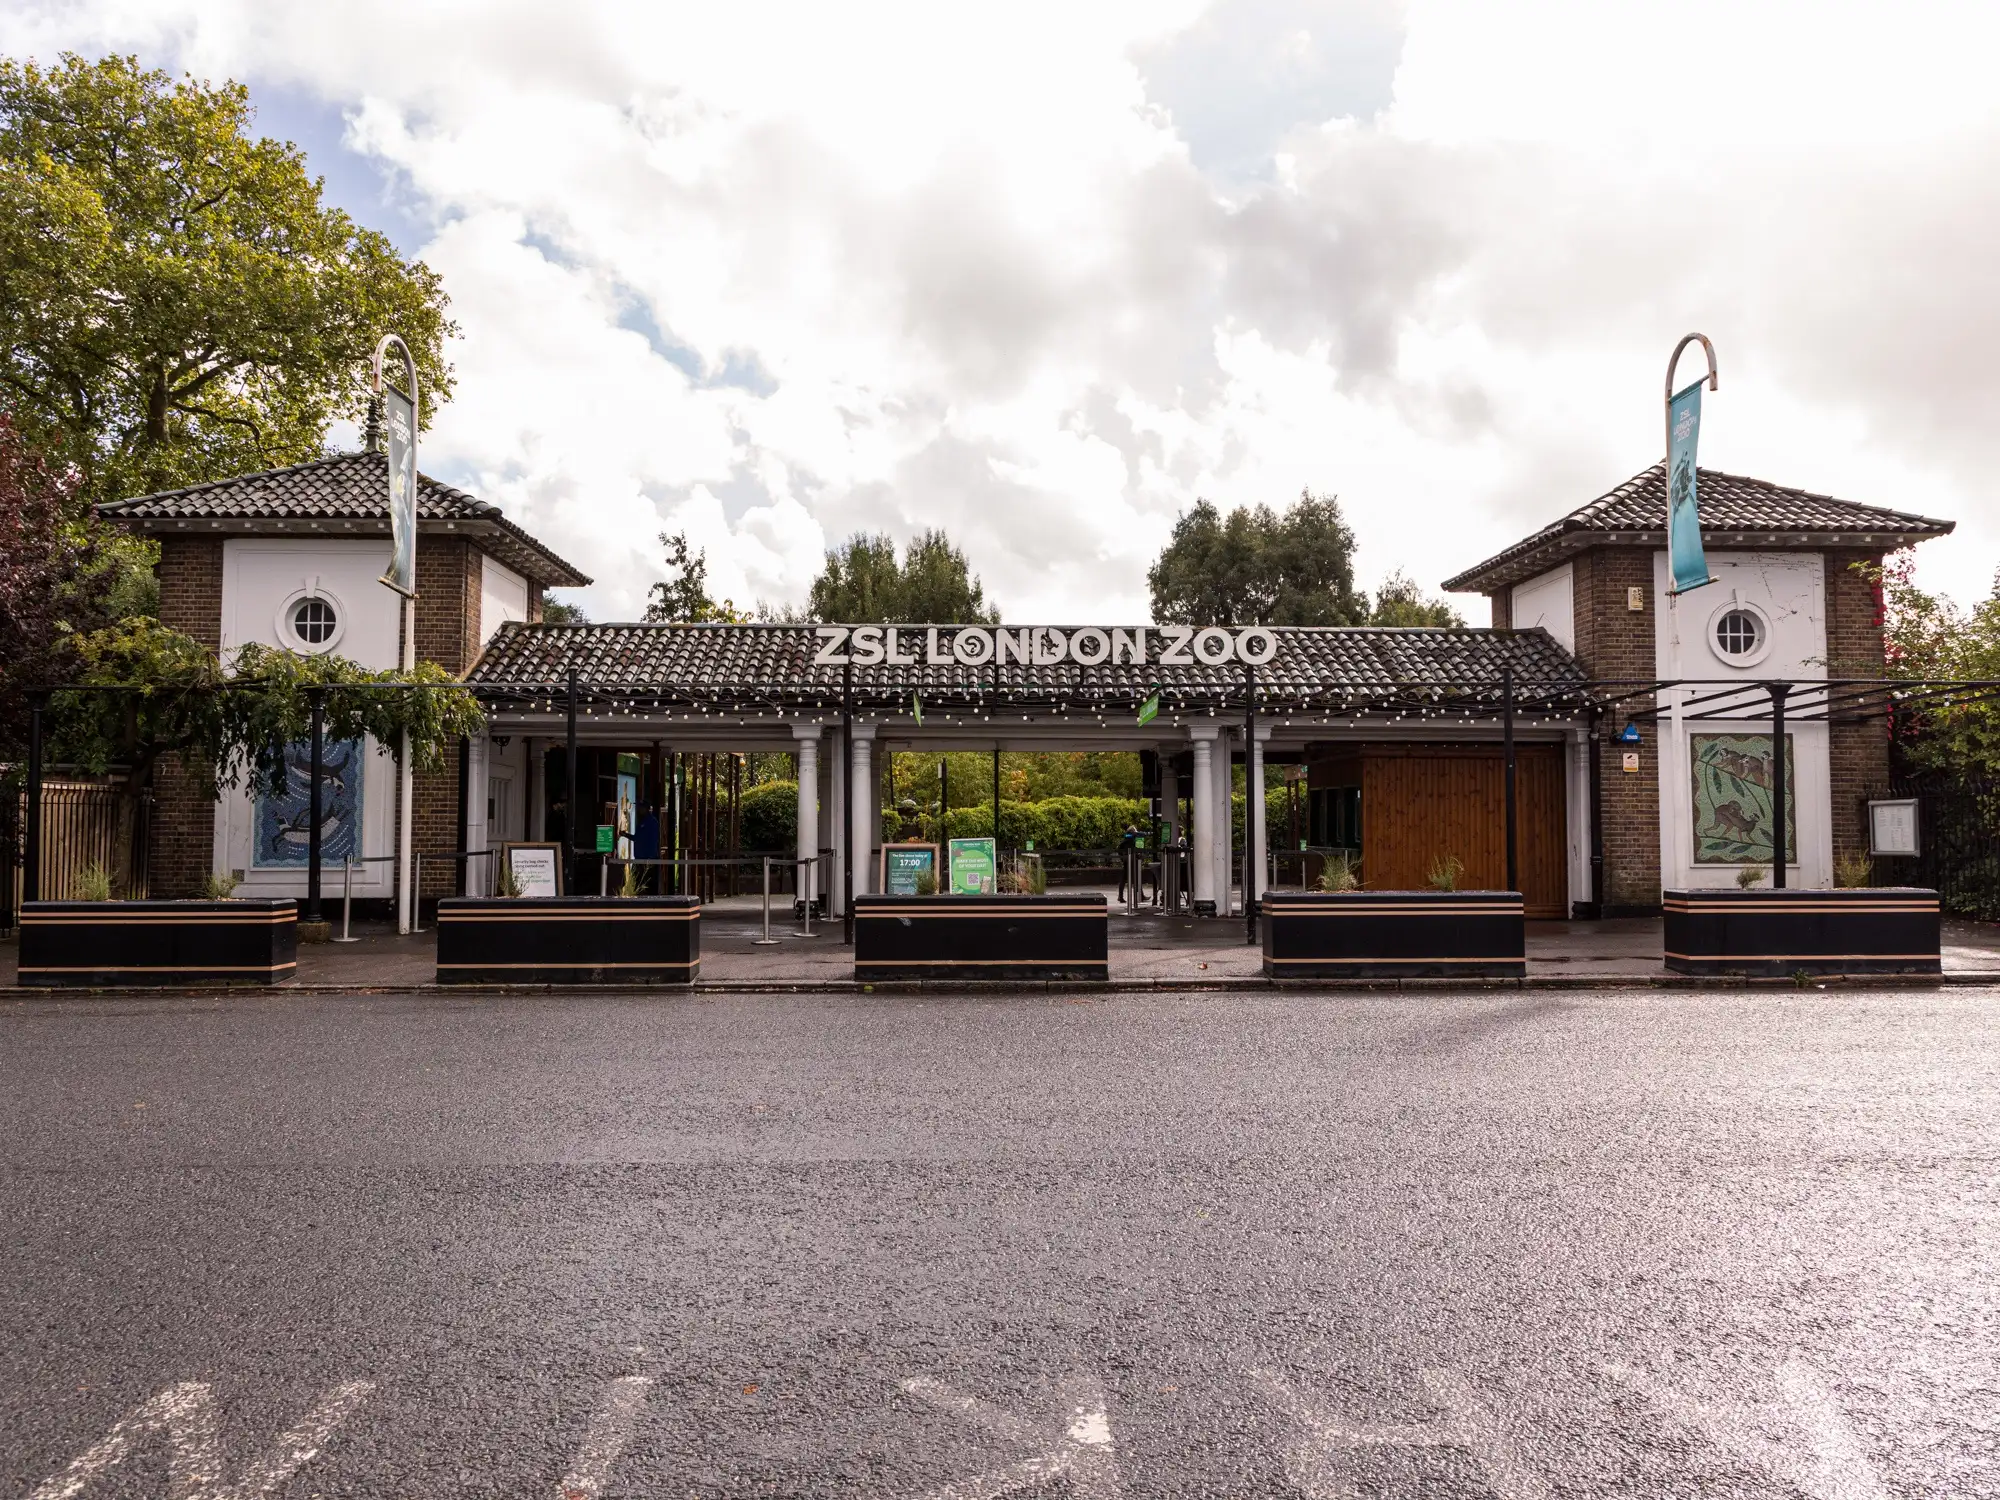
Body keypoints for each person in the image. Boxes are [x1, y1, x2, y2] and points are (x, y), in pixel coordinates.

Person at [1118, 823, 1139, 901]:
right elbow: (1120, 847)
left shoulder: (1128, 837)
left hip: (1128, 858)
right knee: (1135, 877)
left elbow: (1120, 847)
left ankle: (1120, 896)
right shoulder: (1130, 837)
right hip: (1130, 859)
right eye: (1135, 830)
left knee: (1126, 877)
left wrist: (1122, 857)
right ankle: (1140, 895)